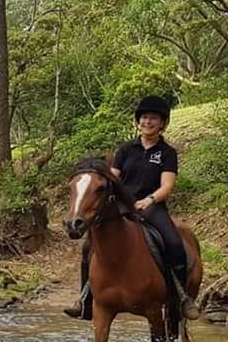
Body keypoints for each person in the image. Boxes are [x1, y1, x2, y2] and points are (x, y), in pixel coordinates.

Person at [64, 94, 201, 321]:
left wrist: (149, 199)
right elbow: (114, 178)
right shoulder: (126, 150)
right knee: (88, 247)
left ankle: (181, 297)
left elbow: (167, 185)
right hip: (123, 207)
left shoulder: (167, 153)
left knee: (175, 244)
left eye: (153, 118)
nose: (148, 122)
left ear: (162, 123)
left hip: (152, 207)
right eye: (144, 118)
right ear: (138, 121)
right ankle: (85, 300)